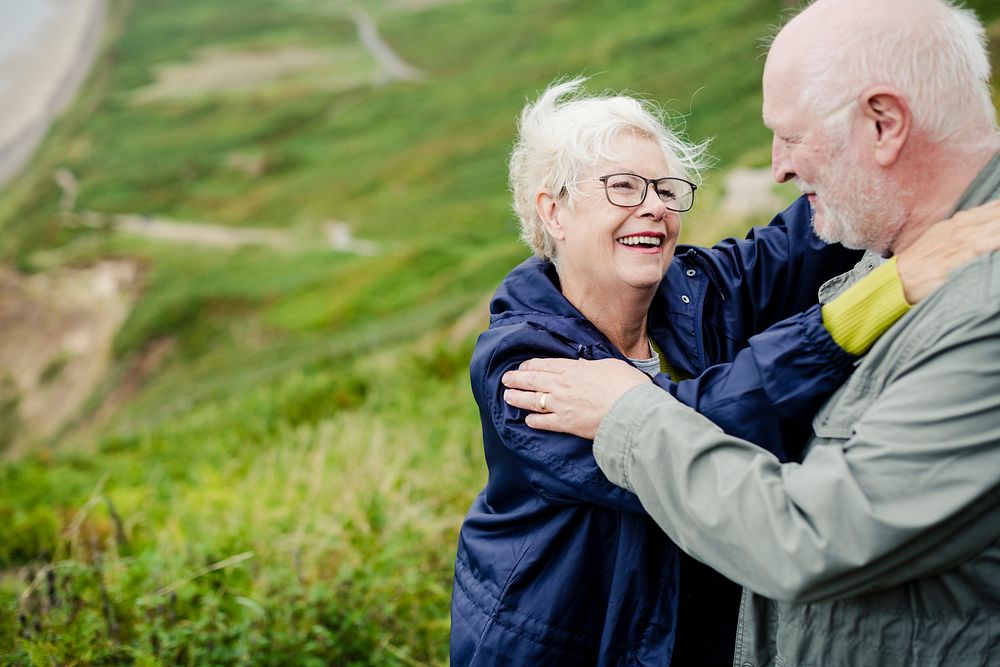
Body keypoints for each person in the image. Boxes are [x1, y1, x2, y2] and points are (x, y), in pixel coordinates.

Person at [501, 1, 1000, 665]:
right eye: (623, 186)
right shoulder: (522, 361)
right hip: (570, 647)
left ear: (884, 123)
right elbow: (691, 424)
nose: (652, 205)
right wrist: (883, 292)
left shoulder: (700, 292)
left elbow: (811, 232)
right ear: (553, 209)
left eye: (666, 187)